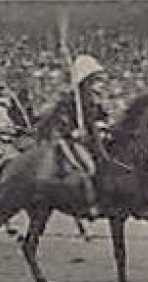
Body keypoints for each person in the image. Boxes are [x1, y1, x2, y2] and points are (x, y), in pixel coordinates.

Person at [41, 54, 110, 212]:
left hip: (94, 139)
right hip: (72, 140)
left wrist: (103, 126)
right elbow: (60, 120)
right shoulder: (71, 100)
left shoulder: (94, 100)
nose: (98, 84)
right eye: (94, 80)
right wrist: (73, 132)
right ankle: (89, 201)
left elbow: (100, 118)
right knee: (88, 167)